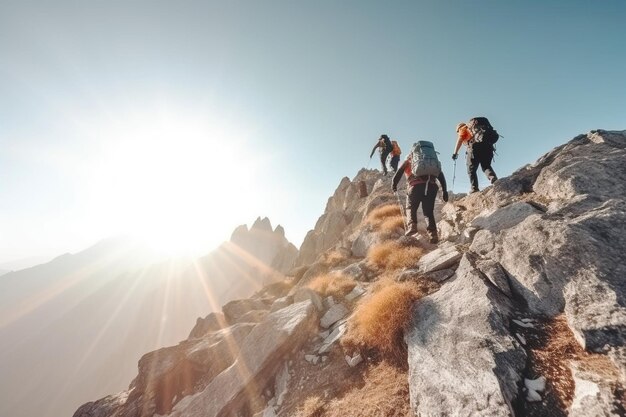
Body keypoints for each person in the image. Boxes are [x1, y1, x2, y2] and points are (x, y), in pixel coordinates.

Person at [392, 151, 448, 243]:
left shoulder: (408, 160)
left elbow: (397, 175)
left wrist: (394, 185)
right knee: (428, 212)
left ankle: (412, 228)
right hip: (432, 187)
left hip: (415, 186)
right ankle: (433, 235)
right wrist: (445, 191)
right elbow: (440, 175)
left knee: (411, 207)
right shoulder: (431, 162)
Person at [452, 121, 498, 193]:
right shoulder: (476, 129)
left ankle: (474, 188)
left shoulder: (463, 128)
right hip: (487, 146)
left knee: (471, 170)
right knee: (486, 165)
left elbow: (460, 140)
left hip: (474, 146)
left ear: (458, 129)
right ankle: (493, 178)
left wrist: (455, 153)